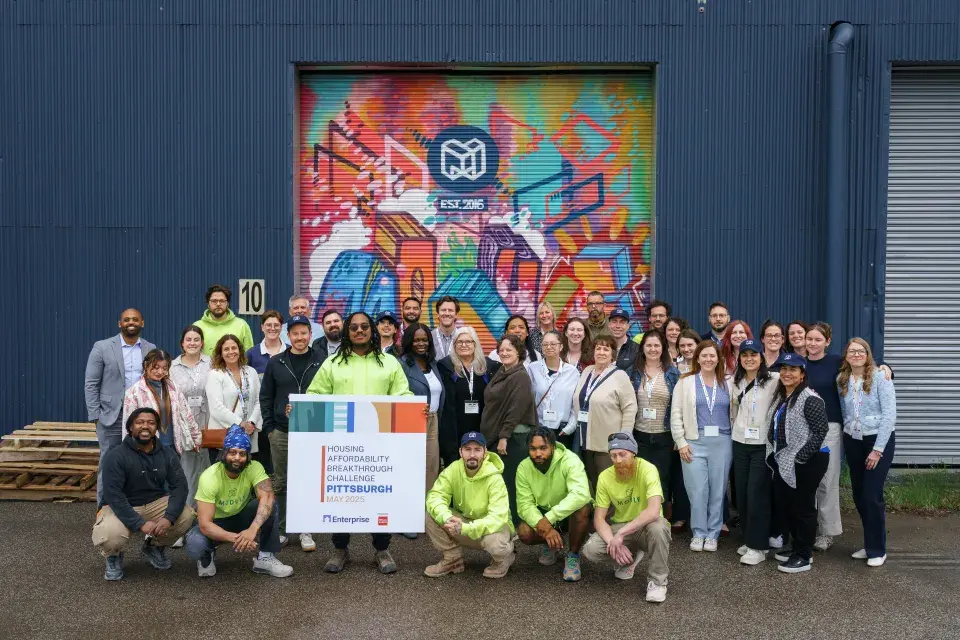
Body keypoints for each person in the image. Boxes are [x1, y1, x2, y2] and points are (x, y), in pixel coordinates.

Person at [306, 310, 411, 574]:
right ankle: (340, 548)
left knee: (381, 496)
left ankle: (382, 549)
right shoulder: (333, 363)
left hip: (380, 445)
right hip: (342, 446)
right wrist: (298, 409)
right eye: (354, 327)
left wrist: (414, 408)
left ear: (373, 331)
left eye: (365, 327)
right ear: (347, 332)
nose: (360, 331)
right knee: (341, 497)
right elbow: (315, 394)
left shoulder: (389, 363)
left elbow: (403, 395)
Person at [804, 322, 892, 552]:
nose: (812, 343)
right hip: (809, 429)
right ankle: (805, 531)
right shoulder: (801, 364)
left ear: (828, 341)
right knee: (807, 482)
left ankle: (828, 533)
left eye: (817, 339)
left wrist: (887, 366)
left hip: (832, 429)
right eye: (809, 339)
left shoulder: (836, 363)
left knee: (829, 481)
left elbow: (869, 366)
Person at [91, 408, 195, 581]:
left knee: (186, 515)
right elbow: (113, 495)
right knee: (110, 535)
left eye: (151, 423)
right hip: (122, 505)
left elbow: (180, 487)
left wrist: (167, 518)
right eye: (139, 422)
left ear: (156, 428)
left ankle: (153, 547)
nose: (145, 426)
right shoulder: (116, 455)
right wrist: (140, 524)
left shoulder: (167, 454)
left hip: (154, 503)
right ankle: (113, 556)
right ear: (130, 428)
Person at [185, 425, 293, 578]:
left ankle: (265, 557)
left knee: (270, 503)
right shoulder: (210, 477)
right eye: (233, 452)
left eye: (242, 454)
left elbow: (267, 497)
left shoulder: (254, 467)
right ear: (224, 453)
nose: (237, 458)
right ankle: (206, 557)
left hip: (242, 516)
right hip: (216, 521)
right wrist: (240, 539)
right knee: (196, 544)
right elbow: (205, 524)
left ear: (248, 456)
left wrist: (253, 529)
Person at [581, 432, 671, 603]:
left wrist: (620, 535)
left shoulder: (648, 469)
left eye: (623, 454)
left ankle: (658, 582)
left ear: (633, 454)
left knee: (659, 527)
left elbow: (653, 511)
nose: (618, 460)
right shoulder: (605, 477)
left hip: (647, 527)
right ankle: (629, 557)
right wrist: (612, 542)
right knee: (590, 550)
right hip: (623, 526)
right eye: (613, 456)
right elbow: (599, 519)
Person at [260, 315, 325, 551]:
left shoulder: (322, 360)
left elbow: (331, 394)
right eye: (295, 333)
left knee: (307, 480)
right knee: (281, 482)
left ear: (310, 334)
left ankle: (306, 529)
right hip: (282, 431)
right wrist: (269, 428)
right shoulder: (277, 362)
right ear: (289, 336)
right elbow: (265, 397)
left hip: (312, 432)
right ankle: (282, 529)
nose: (299, 337)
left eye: (303, 333)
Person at [84, 308, 157, 504]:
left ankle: (134, 508)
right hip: (111, 416)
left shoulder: (150, 349)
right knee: (109, 463)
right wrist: (95, 415)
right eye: (126, 320)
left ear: (142, 323)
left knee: (140, 462)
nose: (130, 322)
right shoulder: (102, 347)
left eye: (135, 319)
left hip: (141, 416)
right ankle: (104, 509)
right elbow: (91, 383)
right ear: (120, 324)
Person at [768, 353, 829, 574]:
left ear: (802, 374)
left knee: (803, 508)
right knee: (790, 505)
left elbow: (820, 431)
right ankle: (797, 547)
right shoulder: (784, 397)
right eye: (784, 369)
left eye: (793, 369)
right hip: (787, 459)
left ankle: (804, 555)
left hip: (809, 459)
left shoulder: (809, 398)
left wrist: (802, 457)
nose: (787, 373)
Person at [670, 340, 734, 552]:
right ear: (697, 358)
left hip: (722, 442)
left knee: (717, 490)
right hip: (693, 443)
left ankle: (713, 533)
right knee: (697, 491)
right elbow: (676, 413)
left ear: (718, 359)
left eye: (712, 356)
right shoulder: (685, 382)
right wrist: (681, 442)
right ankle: (698, 532)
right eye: (704, 356)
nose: (708, 359)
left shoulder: (728, 382)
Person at [424, 431, 516, 578]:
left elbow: (497, 518)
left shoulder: (494, 477)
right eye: (467, 449)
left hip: (491, 528)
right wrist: (447, 518)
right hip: (464, 523)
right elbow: (435, 496)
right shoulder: (453, 470)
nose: (472, 454)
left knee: (496, 543)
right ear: (461, 452)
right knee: (431, 515)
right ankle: (452, 559)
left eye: (477, 450)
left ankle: (503, 559)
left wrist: (466, 528)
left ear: (485, 452)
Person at [838, 338, 897, 567]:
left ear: (868, 353)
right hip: (853, 440)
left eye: (860, 351)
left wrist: (878, 450)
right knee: (859, 494)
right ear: (846, 355)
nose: (856, 354)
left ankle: (877, 549)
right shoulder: (842, 379)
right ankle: (869, 542)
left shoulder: (881, 377)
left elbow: (889, 416)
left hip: (877, 441)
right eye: (851, 351)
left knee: (872, 496)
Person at [122, 349, 203, 512]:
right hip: (148, 448)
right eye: (156, 367)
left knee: (173, 485)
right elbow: (128, 423)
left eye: (164, 368)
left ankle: (171, 524)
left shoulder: (173, 388)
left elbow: (186, 414)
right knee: (153, 487)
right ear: (146, 366)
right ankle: (152, 525)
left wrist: (196, 437)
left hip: (172, 445)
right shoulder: (134, 391)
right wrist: (129, 450)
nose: (160, 372)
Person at [515, 427, 591, 582]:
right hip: (544, 513)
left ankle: (573, 556)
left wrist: (549, 519)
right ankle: (551, 544)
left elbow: (581, 494)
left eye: (543, 448)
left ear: (553, 447)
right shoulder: (524, 467)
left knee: (582, 508)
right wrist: (545, 526)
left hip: (567, 515)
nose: (538, 454)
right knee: (524, 532)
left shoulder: (570, 460)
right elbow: (524, 504)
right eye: (533, 449)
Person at [730, 339, 779, 565]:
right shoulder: (736, 381)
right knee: (742, 494)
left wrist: (886, 367)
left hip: (761, 445)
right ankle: (750, 539)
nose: (749, 359)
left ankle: (759, 547)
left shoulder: (774, 380)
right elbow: (734, 410)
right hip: (740, 442)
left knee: (757, 494)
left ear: (762, 358)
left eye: (754, 354)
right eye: (745, 355)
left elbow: (800, 380)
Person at [480, 334, 538, 520]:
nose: (504, 353)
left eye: (509, 350)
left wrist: (504, 437)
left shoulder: (520, 376)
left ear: (519, 352)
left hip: (512, 439)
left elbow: (516, 409)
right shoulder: (503, 371)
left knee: (511, 483)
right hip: (498, 436)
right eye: (501, 350)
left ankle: (514, 523)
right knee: (501, 482)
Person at [573, 334, 638, 490]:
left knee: (609, 487)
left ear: (612, 354)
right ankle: (597, 514)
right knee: (593, 485)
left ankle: (608, 516)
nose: (601, 352)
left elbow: (630, 407)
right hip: (585, 441)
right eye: (598, 348)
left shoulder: (620, 376)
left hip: (608, 444)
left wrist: (625, 437)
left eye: (606, 349)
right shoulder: (587, 371)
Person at [630, 330, 681, 523]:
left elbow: (678, 407)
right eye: (649, 345)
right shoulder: (633, 372)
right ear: (643, 348)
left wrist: (677, 436)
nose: (652, 349)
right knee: (640, 479)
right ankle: (641, 520)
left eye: (657, 345)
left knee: (662, 480)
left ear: (663, 348)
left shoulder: (673, 373)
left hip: (664, 436)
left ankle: (660, 523)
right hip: (639, 434)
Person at [437, 327, 500, 466]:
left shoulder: (488, 366)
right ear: (454, 346)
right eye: (459, 342)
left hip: (481, 423)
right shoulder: (445, 366)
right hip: (455, 426)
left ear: (475, 344)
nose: (463, 345)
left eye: (468, 341)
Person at [399, 323, 445, 499]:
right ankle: (409, 504)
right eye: (416, 340)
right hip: (412, 423)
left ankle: (427, 507)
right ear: (409, 341)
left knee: (432, 465)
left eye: (424, 340)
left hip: (433, 420)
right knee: (411, 465)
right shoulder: (402, 364)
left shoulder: (432, 364)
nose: (421, 343)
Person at [170, 325, 213, 510]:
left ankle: (208, 517)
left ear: (202, 343)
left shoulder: (212, 363)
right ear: (182, 343)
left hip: (209, 423)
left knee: (209, 471)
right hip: (184, 426)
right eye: (189, 339)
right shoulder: (172, 367)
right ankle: (186, 517)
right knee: (187, 473)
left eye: (196, 339)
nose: (192, 343)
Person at [206, 335, 263, 462]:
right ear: (220, 353)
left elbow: (259, 401)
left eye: (234, 348)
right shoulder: (215, 375)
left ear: (240, 350)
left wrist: (252, 423)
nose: (231, 352)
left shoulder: (251, 372)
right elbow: (216, 408)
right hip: (224, 436)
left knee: (246, 477)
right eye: (226, 349)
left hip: (249, 434)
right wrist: (241, 424)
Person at [526, 331, 580, 451]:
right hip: (539, 430)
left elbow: (576, 403)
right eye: (545, 344)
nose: (549, 347)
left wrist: (570, 427)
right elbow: (527, 399)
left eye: (553, 344)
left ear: (561, 346)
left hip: (562, 430)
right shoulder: (532, 368)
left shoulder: (572, 372)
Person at [195, 284, 254, 355]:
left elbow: (249, 355)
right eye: (214, 301)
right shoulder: (197, 327)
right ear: (208, 303)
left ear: (227, 303)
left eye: (222, 301)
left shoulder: (241, 325)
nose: (218, 304)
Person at [246, 310, 286, 374]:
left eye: (276, 325)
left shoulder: (291, 351)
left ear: (281, 327)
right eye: (268, 325)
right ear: (262, 327)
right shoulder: (251, 354)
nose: (273, 328)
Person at [610, 307, 640, 372]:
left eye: (622, 322)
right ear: (609, 324)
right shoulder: (603, 347)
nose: (618, 326)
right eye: (614, 321)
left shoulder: (637, 349)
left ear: (628, 326)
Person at [431, 295, 460, 361]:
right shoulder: (429, 337)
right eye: (443, 310)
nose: (447, 313)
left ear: (456, 315)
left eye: (450, 310)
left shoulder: (463, 337)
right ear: (437, 314)